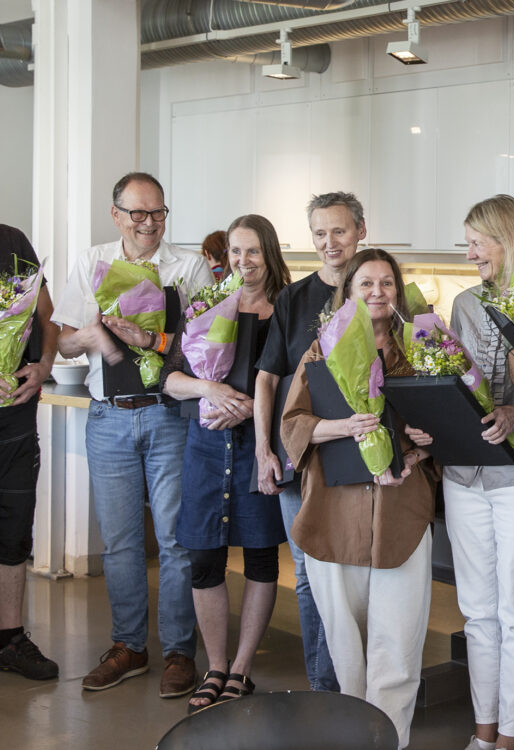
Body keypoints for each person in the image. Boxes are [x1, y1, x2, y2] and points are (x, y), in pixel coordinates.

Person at [53, 172, 213, 696]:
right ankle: (129, 647)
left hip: (169, 414)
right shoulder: (90, 262)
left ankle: (177, 652)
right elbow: (65, 346)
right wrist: (91, 333)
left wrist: (153, 337)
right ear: (116, 214)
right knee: (120, 543)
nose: (149, 224)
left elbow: (207, 345)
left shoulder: (187, 267)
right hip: (109, 417)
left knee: (174, 540)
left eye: (158, 213)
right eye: (138, 214)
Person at [406, 195, 514, 750]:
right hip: (465, 476)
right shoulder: (465, 305)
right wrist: (431, 422)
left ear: (508, 239)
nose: (469, 254)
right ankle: (483, 734)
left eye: (476, 242)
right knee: (477, 613)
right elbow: (458, 388)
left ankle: (511, 739)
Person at [280, 248, 436, 749]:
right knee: (345, 648)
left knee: (398, 649)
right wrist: (342, 427)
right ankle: (353, 738)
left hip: (402, 517)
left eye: (386, 283)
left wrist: (421, 447)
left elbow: (447, 429)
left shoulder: (422, 350)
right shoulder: (321, 352)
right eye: (365, 284)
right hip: (333, 517)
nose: (377, 293)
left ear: (397, 290)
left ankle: (391, 741)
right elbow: (292, 426)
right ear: (347, 293)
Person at [162, 214, 292, 712]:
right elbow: (170, 381)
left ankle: (242, 670)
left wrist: (251, 412)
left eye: (253, 251)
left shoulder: (287, 308)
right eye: (235, 252)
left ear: (270, 254)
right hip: (207, 444)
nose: (243, 261)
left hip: (260, 445)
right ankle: (215, 667)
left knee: (260, 556)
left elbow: (290, 380)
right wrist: (210, 390)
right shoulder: (206, 305)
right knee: (203, 557)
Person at [255, 191, 367, 693]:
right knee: (307, 574)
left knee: (351, 574)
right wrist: (265, 448)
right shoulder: (292, 299)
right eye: (320, 233)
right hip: (300, 454)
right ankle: (325, 689)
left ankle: (354, 688)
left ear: (360, 230)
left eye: (339, 231)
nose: (329, 243)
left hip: (360, 455)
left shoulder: (381, 287)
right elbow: (268, 379)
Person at [0, 224, 59, 681]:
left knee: (15, 532)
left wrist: (44, 366)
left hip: (16, 422)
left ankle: (10, 639)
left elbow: (47, 316)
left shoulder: (13, 242)